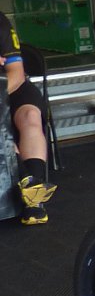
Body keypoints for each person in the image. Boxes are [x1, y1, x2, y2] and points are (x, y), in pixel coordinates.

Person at [0, 11, 56, 225]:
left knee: (30, 115)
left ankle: (34, 199)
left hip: (10, 86)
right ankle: (27, 180)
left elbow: (16, 72)